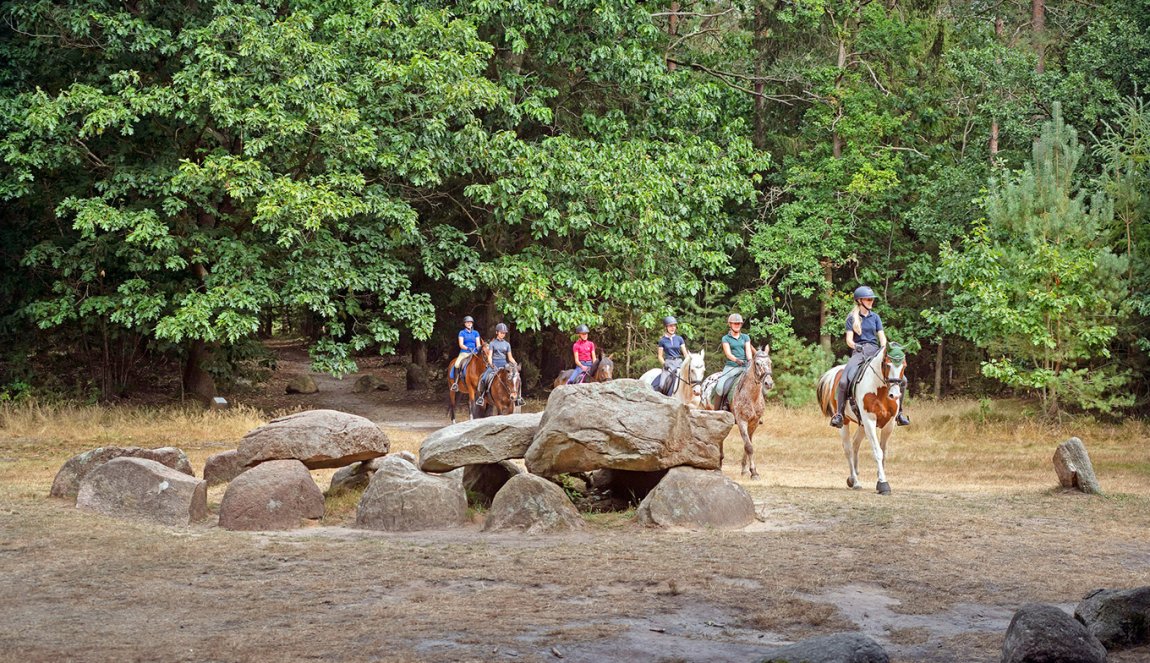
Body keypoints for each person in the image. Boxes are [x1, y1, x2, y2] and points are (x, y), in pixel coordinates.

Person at [829, 285, 910, 428]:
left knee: (902, 380)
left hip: (875, 352)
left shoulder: (875, 317)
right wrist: (856, 346)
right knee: (843, 382)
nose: (871, 301)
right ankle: (840, 414)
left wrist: (885, 349)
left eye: (872, 299)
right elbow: (849, 340)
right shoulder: (851, 318)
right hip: (859, 352)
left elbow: (882, 338)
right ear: (859, 301)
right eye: (868, 299)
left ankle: (899, 413)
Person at [476, 323, 522, 407]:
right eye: (501, 333)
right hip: (494, 363)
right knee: (484, 378)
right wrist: (491, 363)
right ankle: (482, 397)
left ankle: (518, 398)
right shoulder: (492, 344)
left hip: (504, 364)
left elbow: (510, 357)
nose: (503, 334)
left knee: (517, 377)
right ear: (497, 332)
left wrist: (515, 364)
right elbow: (490, 356)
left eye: (504, 333)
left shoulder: (507, 344)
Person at [713, 313, 754, 410]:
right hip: (732, 366)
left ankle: (757, 411)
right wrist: (736, 360)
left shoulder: (745, 337)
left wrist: (750, 361)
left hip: (745, 366)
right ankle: (717, 411)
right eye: (735, 323)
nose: (737, 325)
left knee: (757, 384)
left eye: (739, 324)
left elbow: (748, 351)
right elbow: (728, 354)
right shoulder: (725, 338)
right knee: (720, 387)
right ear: (730, 324)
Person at [651, 316, 689, 395]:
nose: (673, 328)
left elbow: (685, 353)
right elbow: (660, 356)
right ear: (666, 327)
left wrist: (689, 361)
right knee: (661, 384)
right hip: (668, 363)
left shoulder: (679, 339)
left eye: (674, 326)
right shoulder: (662, 341)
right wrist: (664, 364)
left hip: (679, 363)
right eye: (670, 326)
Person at [450, 315, 482, 392]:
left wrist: (478, 349)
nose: (469, 324)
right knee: (457, 364)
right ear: (465, 324)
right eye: (467, 322)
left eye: (470, 322)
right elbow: (461, 344)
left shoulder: (476, 333)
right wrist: (468, 348)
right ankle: (455, 383)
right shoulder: (462, 333)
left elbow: (478, 344)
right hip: (464, 352)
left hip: (474, 352)